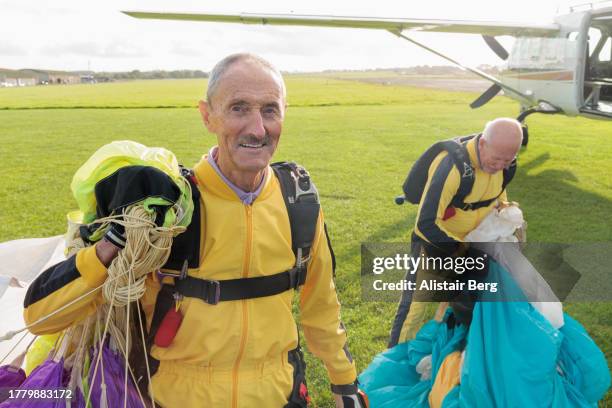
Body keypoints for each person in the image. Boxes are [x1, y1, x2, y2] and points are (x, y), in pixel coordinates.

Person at [22, 53, 365, 408]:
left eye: (269, 110)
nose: (257, 129)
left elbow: (322, 305)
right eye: (238, 108)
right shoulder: (165, 213)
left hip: (278, 396)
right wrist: (112, 244)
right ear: (207, 115)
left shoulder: (299, 204)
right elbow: (39, 316)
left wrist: (344, 383)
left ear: (284, 113)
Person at [388, 118, 523, 347]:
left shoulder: (505, 166)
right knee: (415, 307)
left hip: (474, 244)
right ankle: (394, 360)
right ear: (482, 143)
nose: (500, 165)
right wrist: (464, 252)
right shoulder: (452, 165)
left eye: (507, 160)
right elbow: (425, 224)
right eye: (496, 158)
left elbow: (496, 197)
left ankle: (443, 359)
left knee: (462, 306)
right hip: (437, 244)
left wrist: (506, 215)